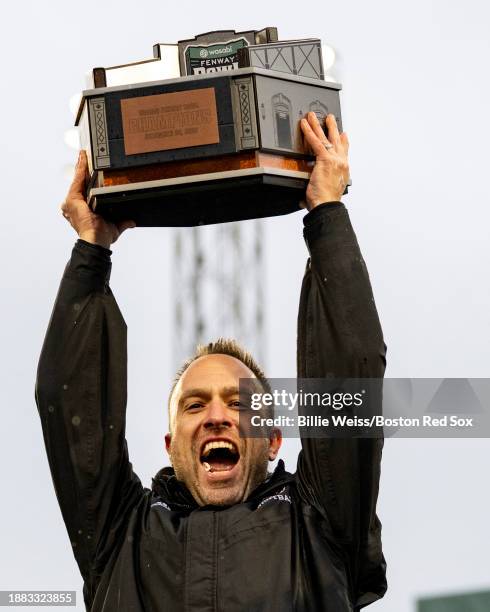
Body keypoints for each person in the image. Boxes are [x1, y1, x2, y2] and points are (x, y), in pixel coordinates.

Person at [36, 112, 387, 611]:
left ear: (272, 442)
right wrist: (91, 248)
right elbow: (67, 398)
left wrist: (326, 212)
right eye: (194, 406)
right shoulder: (120, 536)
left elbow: (352, 368)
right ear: (170, 444)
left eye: (238, 405)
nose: (217, 416)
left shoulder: (320, 524)